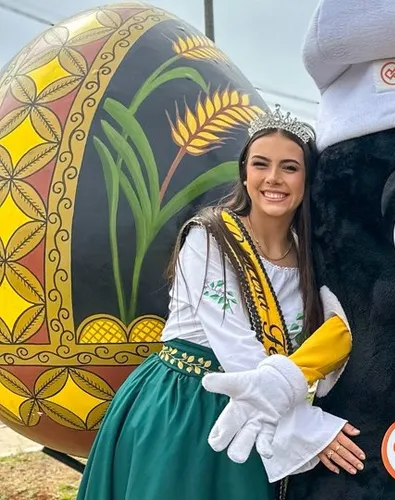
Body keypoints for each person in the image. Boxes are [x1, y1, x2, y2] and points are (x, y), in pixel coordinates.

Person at [77, 106, 365, 500]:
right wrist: (309, 430)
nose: (273, 179)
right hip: (188, 408)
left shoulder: (310, 258)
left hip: (264, 414)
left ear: (307, 179)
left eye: (290, 168)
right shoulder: (210, 238)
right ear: (244, 173)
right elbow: (237, 350)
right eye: (261, 164)